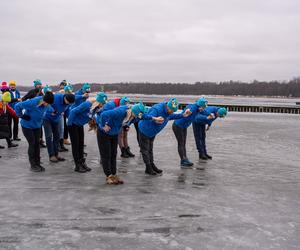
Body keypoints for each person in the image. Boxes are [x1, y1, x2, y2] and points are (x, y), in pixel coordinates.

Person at [97, 102, 161, 184]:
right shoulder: (120, 112)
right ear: (134, 112)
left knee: (113, 154)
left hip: (114, 133)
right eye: (137, 116)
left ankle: (114, 174)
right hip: (104, 133)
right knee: (106, 155)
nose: (137, 118)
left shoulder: (135, 114)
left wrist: (154, 118)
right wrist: (104, 125)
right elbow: (104, 115)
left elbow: (143, 116)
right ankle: (109, 176)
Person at [138, 98, 192, 175]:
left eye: (173, 111)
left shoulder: (168, 112)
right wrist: (154, 119)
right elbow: (146, 116)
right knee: (145, 150)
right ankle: (148, 168)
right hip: (144, 130)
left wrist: (183, 115)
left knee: (150, 149)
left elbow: (171, 116)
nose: (171, 112)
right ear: (167, 106)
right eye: (171, 110)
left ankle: (152, 165)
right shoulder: (157, 109)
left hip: (152, 132)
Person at [68, 92, 108, 173]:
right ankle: (77, 165)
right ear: (98, 102)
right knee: (76, 145)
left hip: (79, 125)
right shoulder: (87, 104)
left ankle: (82, 163)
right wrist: (69, 124)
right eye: (102, 103)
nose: (102, 105)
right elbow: (73, 112)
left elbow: (100, 116)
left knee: (81, 144)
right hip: (73, 124)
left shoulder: (97, 108)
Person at [15, 92, 54, 172]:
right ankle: (33, 164)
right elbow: (17, 106)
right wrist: (21, 116)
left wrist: (54, 111)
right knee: (32, 144)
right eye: (47, 103)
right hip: (27, 126)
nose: (47, 105)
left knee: (37, 144)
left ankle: (37, 162)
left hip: (37, 126)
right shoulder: (32, 102)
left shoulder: (47, 104)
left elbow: (50, 108)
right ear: (43, 100)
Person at [172, 97, 208, 167]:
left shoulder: (199, 108)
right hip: (178, 126)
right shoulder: (193, 108)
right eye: (203, 107)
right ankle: (183, 160)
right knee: (181, 143)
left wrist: (209, 114)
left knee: (183, 143)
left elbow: (204, 112)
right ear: (200, 105)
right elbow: (189, 109)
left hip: (184, 127)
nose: (203, 109)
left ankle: (185, 159)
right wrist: (187, 111)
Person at [43, 93, 75, 163]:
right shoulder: (56, 97)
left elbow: (67, 111)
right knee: (49, 136)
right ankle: (51, 155)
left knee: (57, 136)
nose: (69, 104)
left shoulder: (68, 103)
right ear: (65, 98)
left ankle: (56, 154)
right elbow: (46, 103)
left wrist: (70, 119)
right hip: (47, 118)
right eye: (68, 102)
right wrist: (52, 110)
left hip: (56, 119)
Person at [22, 79, 46, 148]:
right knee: (33, 126)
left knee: (40, 127)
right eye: (38, 85)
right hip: (32, 112)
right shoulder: (31, 92)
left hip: (39, 113)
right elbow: (24, 98)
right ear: (35, 86)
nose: (40, 86)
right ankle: (33, 141)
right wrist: (25, 106)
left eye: (40, 84)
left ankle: (40, 141)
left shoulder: (42, 93)